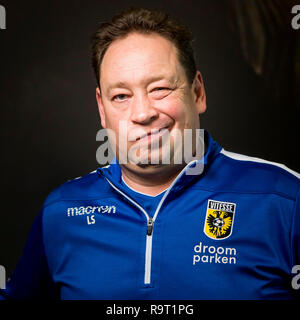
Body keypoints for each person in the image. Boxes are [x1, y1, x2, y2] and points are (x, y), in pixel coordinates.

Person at [1, 7, 299, 300]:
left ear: (197, 93)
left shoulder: (285, 199)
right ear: (102, 110)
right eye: (120, 96)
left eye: (159, 89)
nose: (142, 113)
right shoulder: (62, 211)